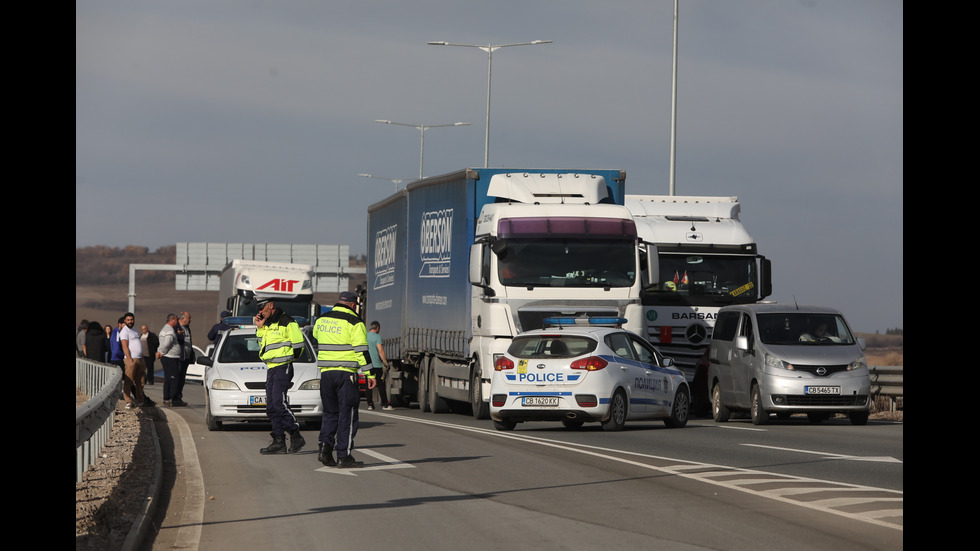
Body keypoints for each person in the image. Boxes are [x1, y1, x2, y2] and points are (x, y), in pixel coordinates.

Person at [312, 291, 373, 468]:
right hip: (346, 375)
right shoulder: (355, 321)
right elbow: (361, 351)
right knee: (348, 415)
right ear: (353, 305)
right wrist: (370, 374)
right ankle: (343, 456)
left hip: (326, 374)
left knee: (330, 413)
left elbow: (316, 335)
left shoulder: (322, 319)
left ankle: (324, 449)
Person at [253, 295, 306, 455]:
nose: (260, 311)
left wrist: (289, 359)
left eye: (262, 308)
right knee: (271, 407)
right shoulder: (267, 324)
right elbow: (262, 346)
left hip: (283, 367)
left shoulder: (287, 321)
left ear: (271, 305)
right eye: (258, 309)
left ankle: (295, 434)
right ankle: (279, 441)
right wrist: (260, 328)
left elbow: (299, 346)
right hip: (271, 368)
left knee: (278, 403)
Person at [119, 312, 151, 408]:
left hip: (140, 359)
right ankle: (128, 401)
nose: (130, 321)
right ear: (125, 320)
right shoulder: (124, 331)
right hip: (131, 359)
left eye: (131, 320)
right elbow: (124, 346)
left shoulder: (135, 330)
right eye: (128, 320)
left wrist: (141, 357)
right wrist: (129, 359)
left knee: (140, 382)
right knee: (129, 381)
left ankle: (141, 401)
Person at [156, 314, 184, 406]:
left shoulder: (165, 329)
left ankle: (167, 398)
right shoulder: (169, 331)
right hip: (170, 358)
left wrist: (160, 351)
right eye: (176, 320)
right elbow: (167, 344)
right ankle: (173, 399)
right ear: (172, 320)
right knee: (174, 379)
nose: (177, 321)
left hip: (168, 357)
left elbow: (162, 344)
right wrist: (162, 352)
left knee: (168, 378)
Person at [365, 321, 394, 411]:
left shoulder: (365, 336)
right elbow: (380, 350)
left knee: (368, 384)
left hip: (366, 365)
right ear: (377, 328)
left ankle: (370, 404)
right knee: (381, 384)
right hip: (376, 365)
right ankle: (385, 404)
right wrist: (385, 362)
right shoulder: (377, 337)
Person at [173, 311, 194, 405]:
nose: (190, 320)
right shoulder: (176, 328)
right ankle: (174, 398)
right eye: (189, 318)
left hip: (186, 357)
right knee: (177, 378)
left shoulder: (187, 329)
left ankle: (179, 397)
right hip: (179, 357)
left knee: (182, 379)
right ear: (182, 319)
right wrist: (178, 334)